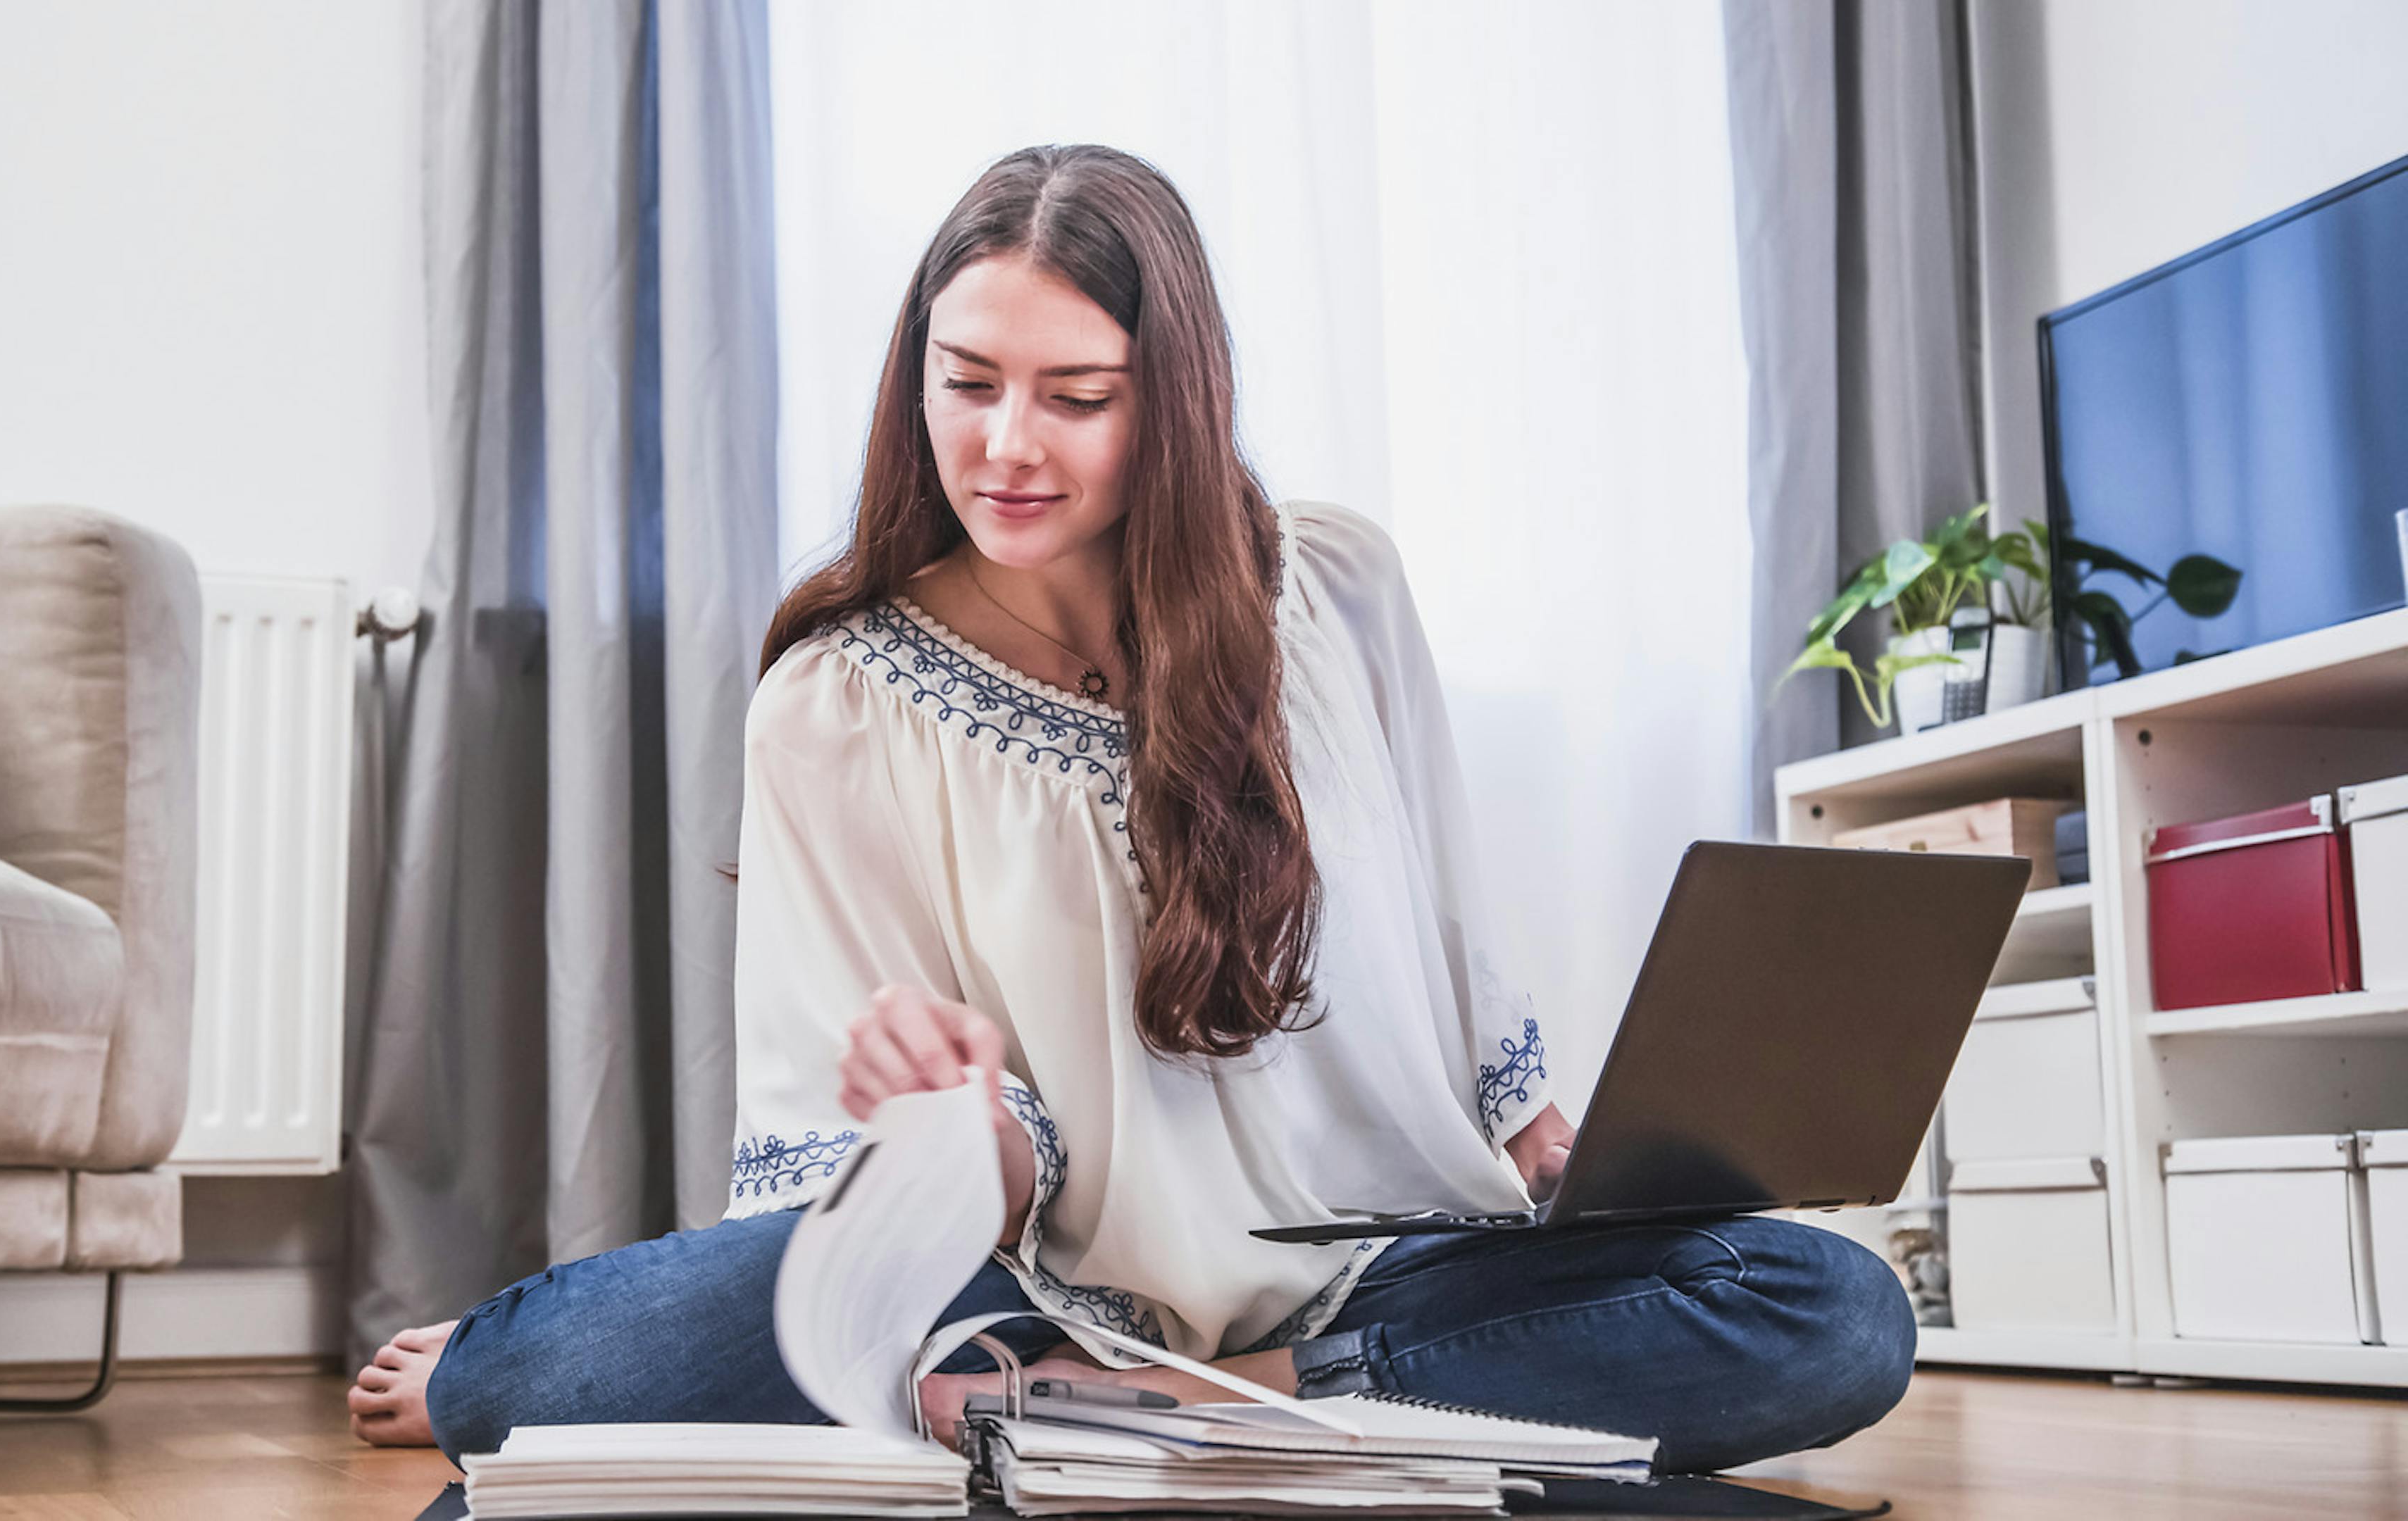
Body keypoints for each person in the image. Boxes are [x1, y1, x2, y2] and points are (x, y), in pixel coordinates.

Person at [349, 143, 1913, 1472]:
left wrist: (1564, 1148)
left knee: (1835, 1312)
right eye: (966, 384)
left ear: (1170, 397)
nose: (1005, 445)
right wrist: (958, 1132)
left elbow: (1449, 927)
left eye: (1074, 396)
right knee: (538, 1380)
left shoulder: (1338, 587)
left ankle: (1185, 1422)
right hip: (1050, 1301)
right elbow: (861, 1183)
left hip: (1388, 1278)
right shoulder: (837, 698)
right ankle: (1152, 1410)